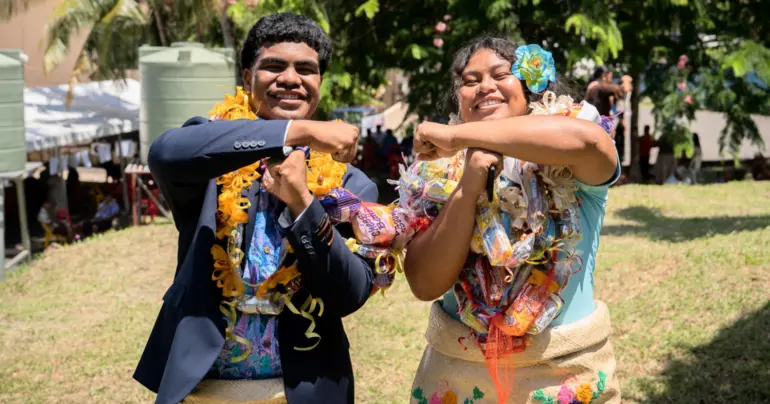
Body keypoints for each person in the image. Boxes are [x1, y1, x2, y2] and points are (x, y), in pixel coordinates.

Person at [133, 13, 378, 404]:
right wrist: (298, 132)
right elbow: (165, 152)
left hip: (305, 387)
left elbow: (351, 292)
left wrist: (302, 202)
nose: (291, 79)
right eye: (274, 66)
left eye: (306, 69)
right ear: (247, 78)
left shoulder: (351, 184)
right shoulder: (212, 150)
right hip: (205, 385)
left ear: (319, 84)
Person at [405, 37, 622, 402]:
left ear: (530, 87)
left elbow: (588, 143)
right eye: (470, 80)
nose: (484, 86)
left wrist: (456, 136)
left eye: (500, 74)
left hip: (563, 375)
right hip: (458, 379)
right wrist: (467, 186)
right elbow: (424, 284)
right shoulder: (437, 173)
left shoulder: (570, 150)